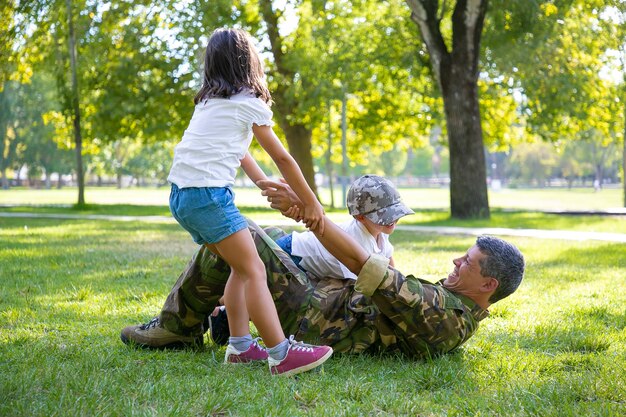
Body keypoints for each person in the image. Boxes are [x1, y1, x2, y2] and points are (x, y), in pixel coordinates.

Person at [121, 179, 525, 359]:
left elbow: (362, 265)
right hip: (320, 299)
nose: (456, 261)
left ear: (488, 284)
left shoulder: (447, 315)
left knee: (236, 234)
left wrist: (312, 215)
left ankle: (177, 328)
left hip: (315, 315)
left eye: (467, 263)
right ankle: (217, 317)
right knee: (262, 239)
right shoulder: (453, 307)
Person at [164, 27, 331, 376]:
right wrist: (311, 203)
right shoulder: (248, 103)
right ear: (249, 62)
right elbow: (284, 158)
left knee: (241, 268)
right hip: (207, 197)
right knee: (254, 269)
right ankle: (281, 353)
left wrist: (263, 184)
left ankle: (240, 347)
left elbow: (240, 155)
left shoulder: (210, 102)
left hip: (184, 196)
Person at [276, 174, 414, 280]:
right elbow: (358, 281)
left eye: (395, 212)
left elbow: (389, 261)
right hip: (292, 254)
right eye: (384, 216)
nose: (392, 220)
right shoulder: (357, 238)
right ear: (360, 217)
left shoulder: (381, 230)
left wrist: (397, 284)